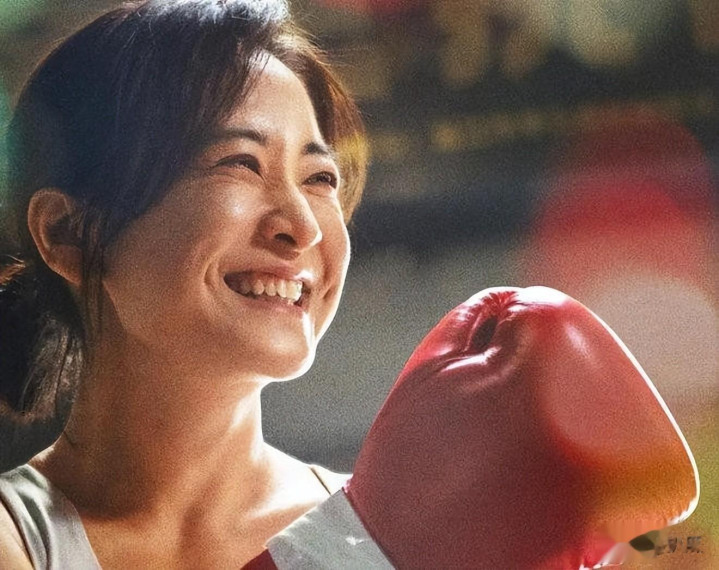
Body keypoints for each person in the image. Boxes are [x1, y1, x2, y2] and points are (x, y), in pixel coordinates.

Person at [0, 0, 367, 567]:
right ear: (69, 234)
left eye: (319, 178)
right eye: (241, 163)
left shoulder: (393, 537)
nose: (303, 227)